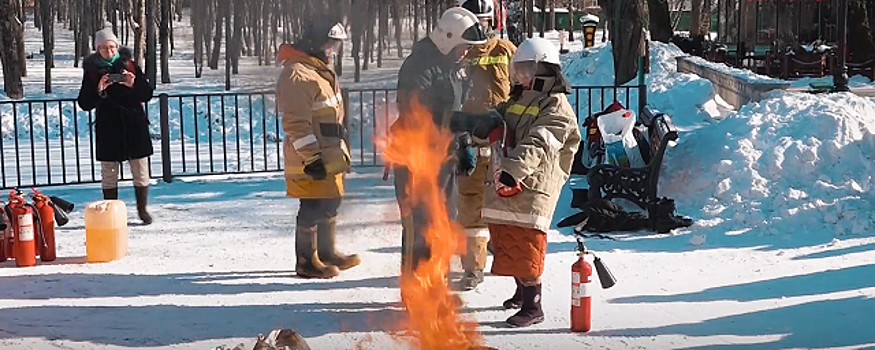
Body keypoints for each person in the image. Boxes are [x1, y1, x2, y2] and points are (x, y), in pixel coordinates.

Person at [450, 37, 581, 327]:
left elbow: (538, 142)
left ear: (545, 70)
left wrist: (513, 169)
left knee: (527, 238)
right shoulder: (520, 99)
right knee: (507, 233)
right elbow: (501, 118)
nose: (521, 76)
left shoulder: (556, 107)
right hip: (513, 178)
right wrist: (473, 122)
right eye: (518, 69)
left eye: (527, 70)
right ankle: (522, 292)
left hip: (534, 182)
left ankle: (534, 304)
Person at [391, 7, 488, 278]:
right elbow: (418, 115)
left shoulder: (453, 67)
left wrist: (464, 139)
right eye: (463, 46)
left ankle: (437, 282)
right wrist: (465, 123)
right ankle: (418, 288)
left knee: (443, 219)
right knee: (420, 225)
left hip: (444, 157)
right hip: (417, 160)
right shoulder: (419, 66)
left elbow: (457, 104)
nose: (466, 52)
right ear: (447, 37)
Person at [276, 19, 359, 279]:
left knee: (330, 201)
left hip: (328, 152)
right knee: (312, 206)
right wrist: (311, 157)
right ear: (315, 44)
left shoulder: (316, 70)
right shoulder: (298, 74)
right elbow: (296, 123)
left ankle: (326, 253)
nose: (333, 49)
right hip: (309, 156)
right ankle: (306, 262)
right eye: (330, 44)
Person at [455, 0, 517, 291]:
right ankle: (475, 264)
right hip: (472, 139)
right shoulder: (463, 53)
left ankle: (487, 257)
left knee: (492, 203)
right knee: (472, 205)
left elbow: (520, 88)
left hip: (496, 139)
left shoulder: (504, 50)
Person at [77, 28, 155, 225]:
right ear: (97, 49)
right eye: (103, 48)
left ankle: (142, 209)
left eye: (112, 47)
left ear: (118, 47)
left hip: (134, 125)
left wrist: (132, 84)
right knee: (109, 173)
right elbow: (85, 103)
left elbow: (146, 94)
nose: (109, 51)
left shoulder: (130, 65)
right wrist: (98, 89)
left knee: (140, 170)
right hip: (108, 127)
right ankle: (111, 213)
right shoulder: (92, 72)